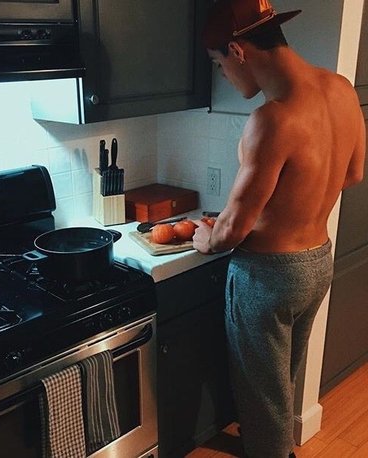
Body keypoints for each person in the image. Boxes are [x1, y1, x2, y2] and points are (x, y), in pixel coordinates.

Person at [192, 1, 366, 457]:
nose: (224, 76)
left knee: (262, 395)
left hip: (267, 277)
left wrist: (203, 237)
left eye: (219, 65)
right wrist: (294, 203)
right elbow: (353, 173)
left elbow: (230, 231)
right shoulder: (342, 89)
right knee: (280, 381)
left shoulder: (271, 120)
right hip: (317, 262)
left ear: (237, 50)